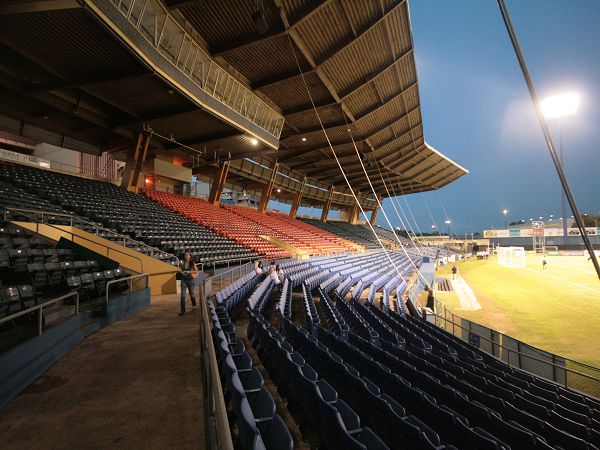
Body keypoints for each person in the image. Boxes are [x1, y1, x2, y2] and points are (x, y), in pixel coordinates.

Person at [179, 251, 197, 316]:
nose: (186, 256)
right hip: (183, 280)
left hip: (190, 280)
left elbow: (195, 271)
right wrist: (181, 272)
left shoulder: (192, 263)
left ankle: (194, 305)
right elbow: (180, 270)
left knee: (191, 294)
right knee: (183, 296)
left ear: (190, 256)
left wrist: (189, 271)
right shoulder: (182, 263)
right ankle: (182, 311)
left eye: (187, 255)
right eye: (185, 255)